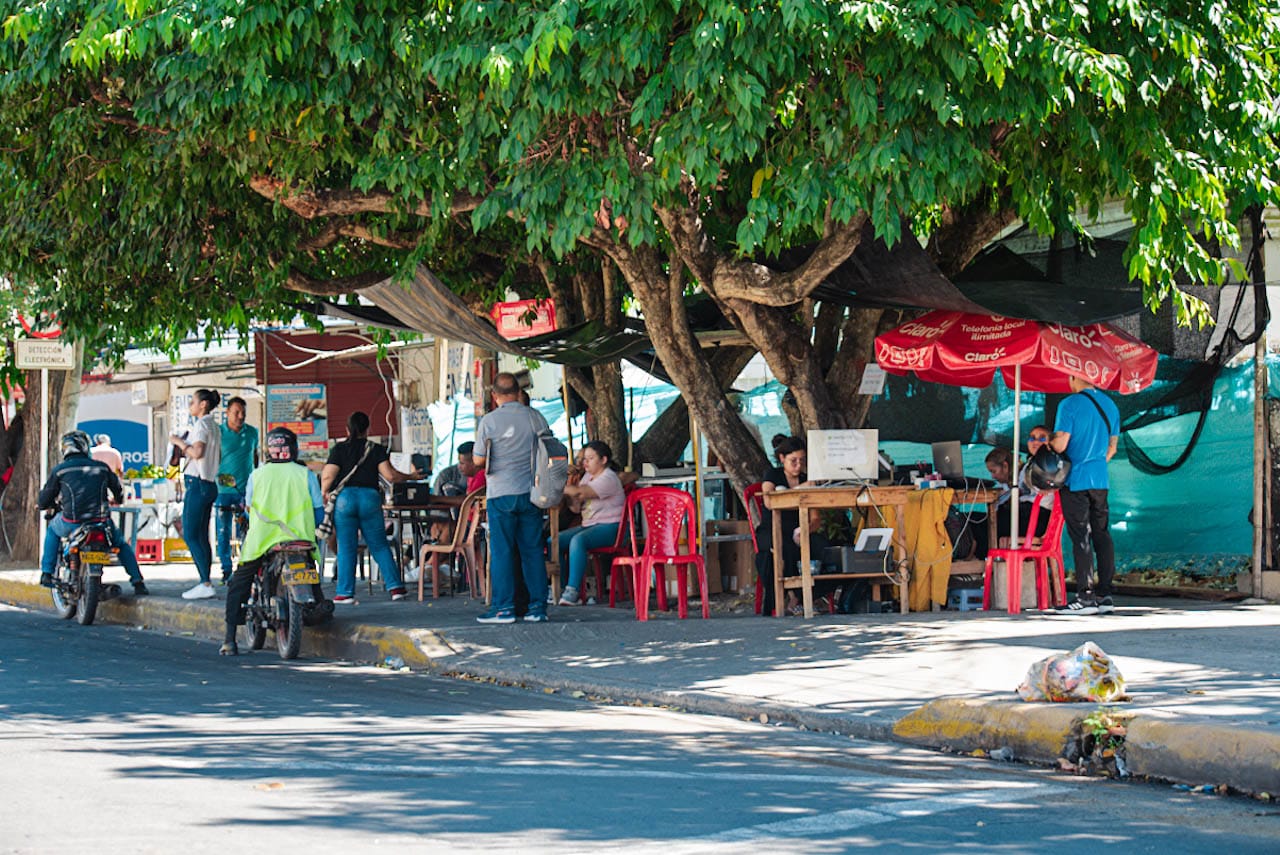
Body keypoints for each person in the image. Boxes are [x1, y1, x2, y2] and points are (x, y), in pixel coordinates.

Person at [219, 427, 327, 656]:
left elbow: (249, 511)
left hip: (264, 541)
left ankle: (229, 638)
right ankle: (318, 605)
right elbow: (319, 513)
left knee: (238, 583)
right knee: (312, 574)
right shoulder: (304, 474)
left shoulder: (257, 475)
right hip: (301, 540)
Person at [472, 372, 550, 624]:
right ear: (518, 392)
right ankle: (537, 608)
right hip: (532, 493)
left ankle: (504, 608)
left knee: (502, 552)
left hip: (501, 494)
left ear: (494, 396)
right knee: (533, 551)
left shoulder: (489, 421)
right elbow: (550, 451)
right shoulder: (536, 417)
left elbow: (478, 460)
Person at [320, 411, 419, 603]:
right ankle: (396, 588)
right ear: (367, 429)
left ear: (347, 429)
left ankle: (345, 593)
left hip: (344, 499)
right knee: (379, 545)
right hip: (369, 498)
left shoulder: (339, 449)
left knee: (346, 546)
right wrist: (411, 477)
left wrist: (325, 492)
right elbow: (390, 476)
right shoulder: (375, 449)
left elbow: (328, 476)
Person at [38, 430, 148, 596]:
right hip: (101, 522)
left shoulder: (60, 470)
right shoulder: (101, 468)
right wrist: (117, 500)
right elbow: (118, 490)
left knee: (53, 530)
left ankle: (46, 573)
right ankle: (138, 582)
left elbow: (44, 500)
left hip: (71, 522)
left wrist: (47, 505)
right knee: (121, 544)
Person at [1051, 375, 1121, 615]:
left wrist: (1048, 442)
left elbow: (1061, 444)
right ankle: (1105, 595)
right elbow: (1112, 448)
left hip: (1076, 479)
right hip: (1100, 479)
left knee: (1081, 535)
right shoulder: (1110, 405)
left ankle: (1085, 597)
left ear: (1072, 378)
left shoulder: (1069, 404)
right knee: (1101, 534)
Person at [754, 436, 831, 616]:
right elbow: (769, 501)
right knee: (785, 549)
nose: (798, 465)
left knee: (824, 548)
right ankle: (793, 597)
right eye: (793, 461)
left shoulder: (806, 478)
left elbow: (815, 518)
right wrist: (801, 489)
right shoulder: (773, 475)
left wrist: (804, 530)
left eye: (802, 461)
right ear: (782, 458)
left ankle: (812, 595)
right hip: (773, 529)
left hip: (799, 529)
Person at [555, 440, 625, 606]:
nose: (585, 462)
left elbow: (580, 492)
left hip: (612, 527)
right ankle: (561, 587)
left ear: (603, 460)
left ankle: (572, 591)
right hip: (591, 525)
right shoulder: (587, 476)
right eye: (584, 459)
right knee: (554, 541)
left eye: (590, 458)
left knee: (578, 540)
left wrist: (558, 487)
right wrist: (571, 491)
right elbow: (576, 507)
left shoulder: (608, 477)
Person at [172, 388, 221, 600]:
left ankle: (205, 582)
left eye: (192, 402)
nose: (190, 406)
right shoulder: (214, 426)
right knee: (201, 535)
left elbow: (197, 452)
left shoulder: (201, 424)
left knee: (191, 534)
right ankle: (205, 579)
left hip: (198, 483)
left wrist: (179, 442)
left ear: (203, 405)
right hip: (209, 484)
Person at [215, 396, 259, 584]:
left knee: (248, 531)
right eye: (236, 413)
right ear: (227, 413)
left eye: (243, 413)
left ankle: (245, 569)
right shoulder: (218, 433)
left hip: (246, 492)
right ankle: (226, 569)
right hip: (222, 490)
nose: (240, 416)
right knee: (223, 531)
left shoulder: (252, 433)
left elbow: (255, 457)